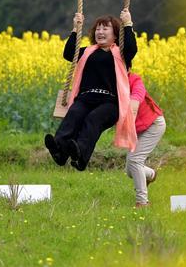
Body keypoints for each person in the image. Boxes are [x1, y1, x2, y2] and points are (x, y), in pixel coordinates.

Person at [44, 9, 138, 170]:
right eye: (98, 29)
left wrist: (128, 23)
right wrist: (75, 29)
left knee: (93, 119)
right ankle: (60, 151)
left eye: (105, 29)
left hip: (110, 102)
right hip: (86, 98)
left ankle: (80, 155)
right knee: (74, 114)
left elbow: (131, 49)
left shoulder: (121, 54)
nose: (100, 32)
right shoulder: (87, 52)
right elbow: (68, 54)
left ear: (115, 34)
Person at [126, 72, 166, 207]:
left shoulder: (135, 80)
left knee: (134, 161)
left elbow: (137, 94)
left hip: (154, 125)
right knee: (130, 170)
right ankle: (150, 174)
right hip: (137, 129)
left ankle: (142, 202)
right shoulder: (111, 83)